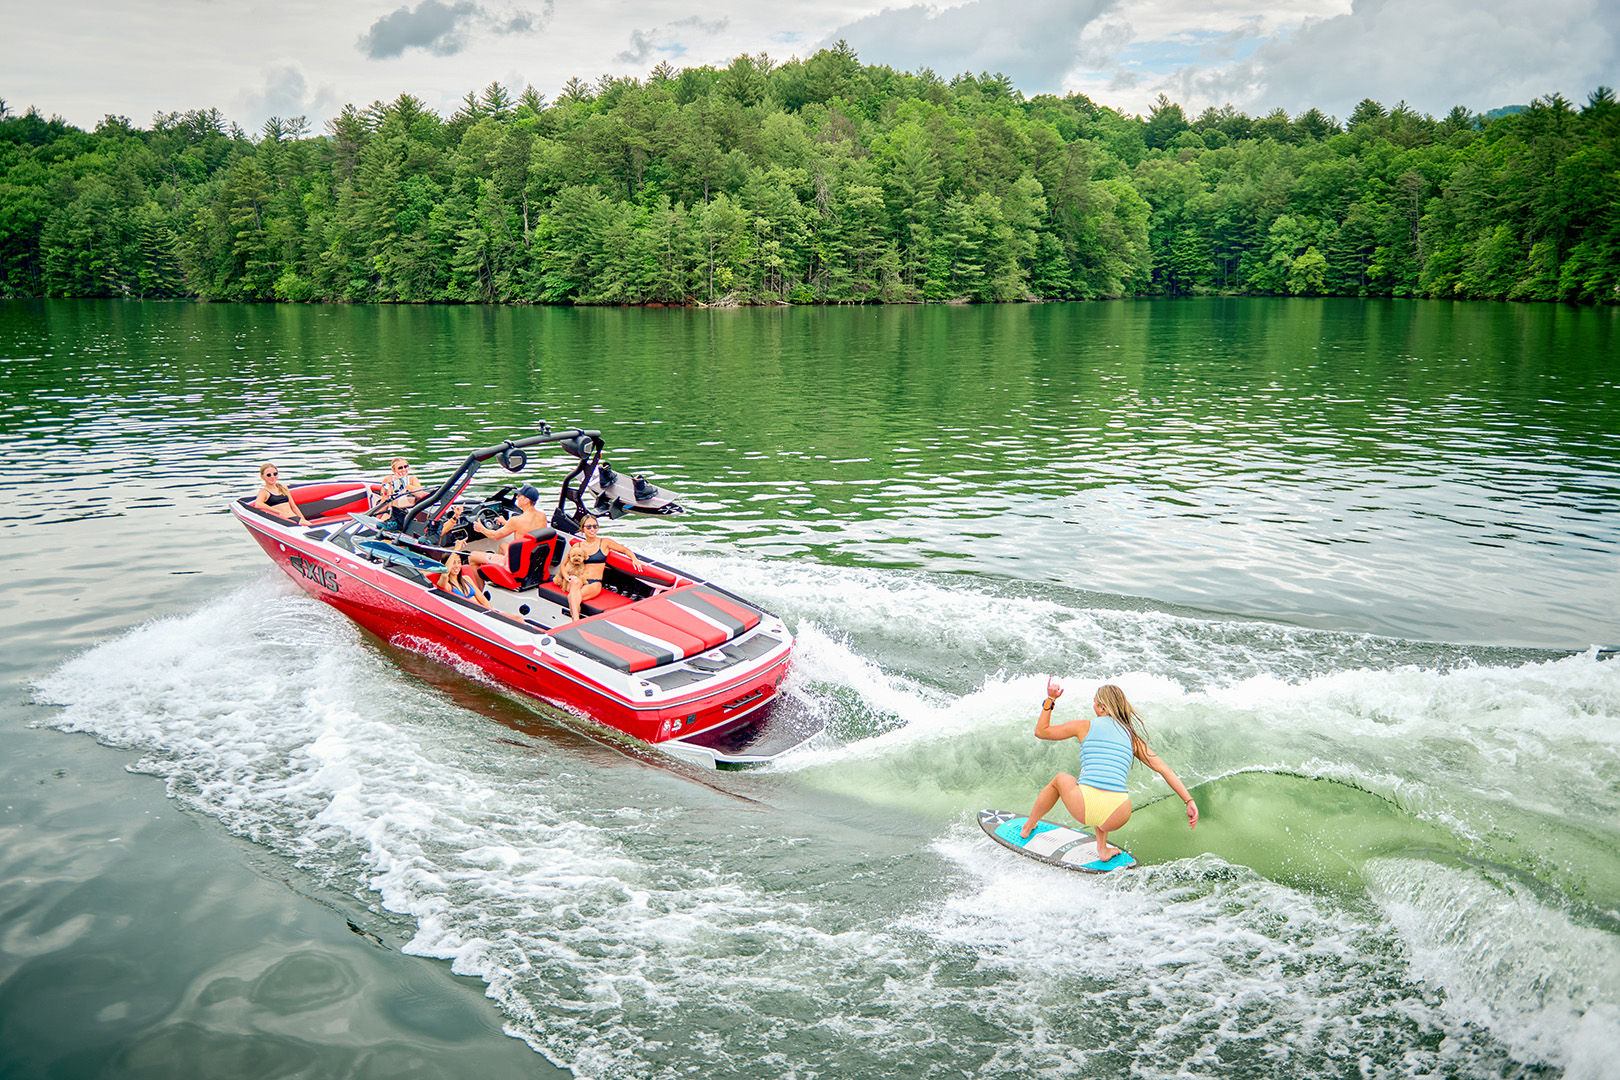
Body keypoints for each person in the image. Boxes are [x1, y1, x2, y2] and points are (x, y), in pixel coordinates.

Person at [1020, 679, 1198, 860]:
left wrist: (1050, 699)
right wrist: (1189, 801)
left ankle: (1028, 826)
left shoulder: (1084, 726)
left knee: (1061, 779)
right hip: (1118, 813)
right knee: (1103, 784)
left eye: (1095, 703)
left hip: (1084, 806)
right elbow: (1164, 769)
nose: (1094, 706)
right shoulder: (1132, 737)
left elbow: (1041, 731)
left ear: (1103, 708)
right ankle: (1102, 849)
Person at [562, 513, 644, 620]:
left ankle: (575, 622)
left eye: (595, 526)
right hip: (578, 580)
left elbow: (624, 550)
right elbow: (563, 565)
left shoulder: (604, 543)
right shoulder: (578, 546)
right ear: (583, 529)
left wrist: (634, 559)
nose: (592, 529)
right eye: (589, 527)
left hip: (594, 583)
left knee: (572, 597)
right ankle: (576, 622)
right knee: (576, 584)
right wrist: (566, 576)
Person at [467, 485, 549, 572]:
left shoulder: (516, 521)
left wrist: (481, 528)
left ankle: (477, 585)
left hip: (517, 565)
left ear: (526, 500)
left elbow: (495, 536)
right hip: (532, 561)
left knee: (472, 557)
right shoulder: (542, 516)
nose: (517, 497)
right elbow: (527, 529)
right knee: (503, 546)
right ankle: (499, 573)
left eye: (519, 496)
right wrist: (506, 523)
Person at [374, 458, 427, 525]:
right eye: (400, 468)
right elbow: (385, 501)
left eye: (405, 466)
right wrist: (376, 518)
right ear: (393, 470)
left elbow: (419, 494)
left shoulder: (412, 479)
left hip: (407, 513)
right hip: (392, 512)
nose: (404, 469)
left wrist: (404, 483)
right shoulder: (388, 479)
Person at [552, 545, 592, 621]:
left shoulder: (582, 566)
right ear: (570, 557)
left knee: (575, 589)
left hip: (576, 581)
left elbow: (580, 575)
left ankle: (575, 618)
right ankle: (575, 618)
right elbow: (564, 575)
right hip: (566, 580)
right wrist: (564, 586)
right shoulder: (569, 566)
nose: (576, 558)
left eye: (579, 556)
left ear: (583, 557)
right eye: (574, 556)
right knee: (559, 580)